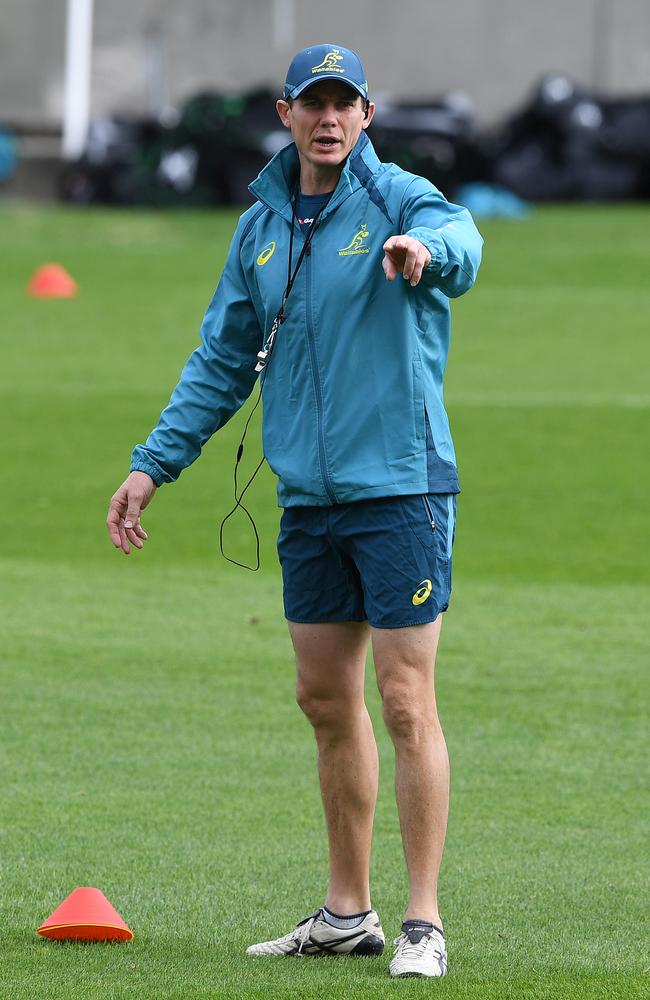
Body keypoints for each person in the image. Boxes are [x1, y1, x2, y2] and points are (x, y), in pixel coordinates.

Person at [106, 43, 483, 978]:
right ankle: (347, 913)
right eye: (311, 103)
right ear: (285, 114)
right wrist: (154, 466)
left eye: (343, 103)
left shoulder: (400, 197)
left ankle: (423, 921)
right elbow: (223, 359)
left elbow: (465, 243)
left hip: (400, 487)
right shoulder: (261, 227)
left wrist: (424, 253)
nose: (328, 118)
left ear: (365, 113)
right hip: (309, 501)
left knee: (404, 701)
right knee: (324, 701)